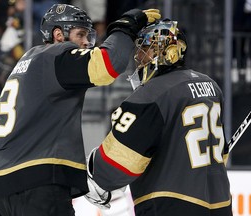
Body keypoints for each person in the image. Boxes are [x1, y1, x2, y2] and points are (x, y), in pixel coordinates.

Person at [0, 3, 161, 216]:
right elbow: (109, 64)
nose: (85, 42)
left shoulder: (27, 61)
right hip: (35, 183)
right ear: (58, 34)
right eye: (80, 34)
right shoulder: (56, 55)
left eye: (88, 36)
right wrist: (125, 26)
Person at [86, 20, 233, 216]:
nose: (138, 57)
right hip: (221, 203)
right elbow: (221, 155)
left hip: (170, 205)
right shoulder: (211, 86)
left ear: (166, 51)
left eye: (144, 49)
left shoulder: (150, 95)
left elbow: (114, 166)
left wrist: (96, 176)